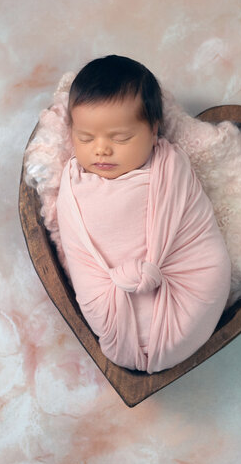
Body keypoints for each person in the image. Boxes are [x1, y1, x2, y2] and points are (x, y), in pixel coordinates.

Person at [56, 55, 232, 373]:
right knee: (93, 290)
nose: (101, 149)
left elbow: (195, 235)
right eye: (85, 138)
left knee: (212, 270)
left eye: (120, 138)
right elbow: (77, 253)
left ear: (153, 132)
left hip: (186, 290)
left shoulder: (169, 167)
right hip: (110, 298)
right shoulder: (72, 185)